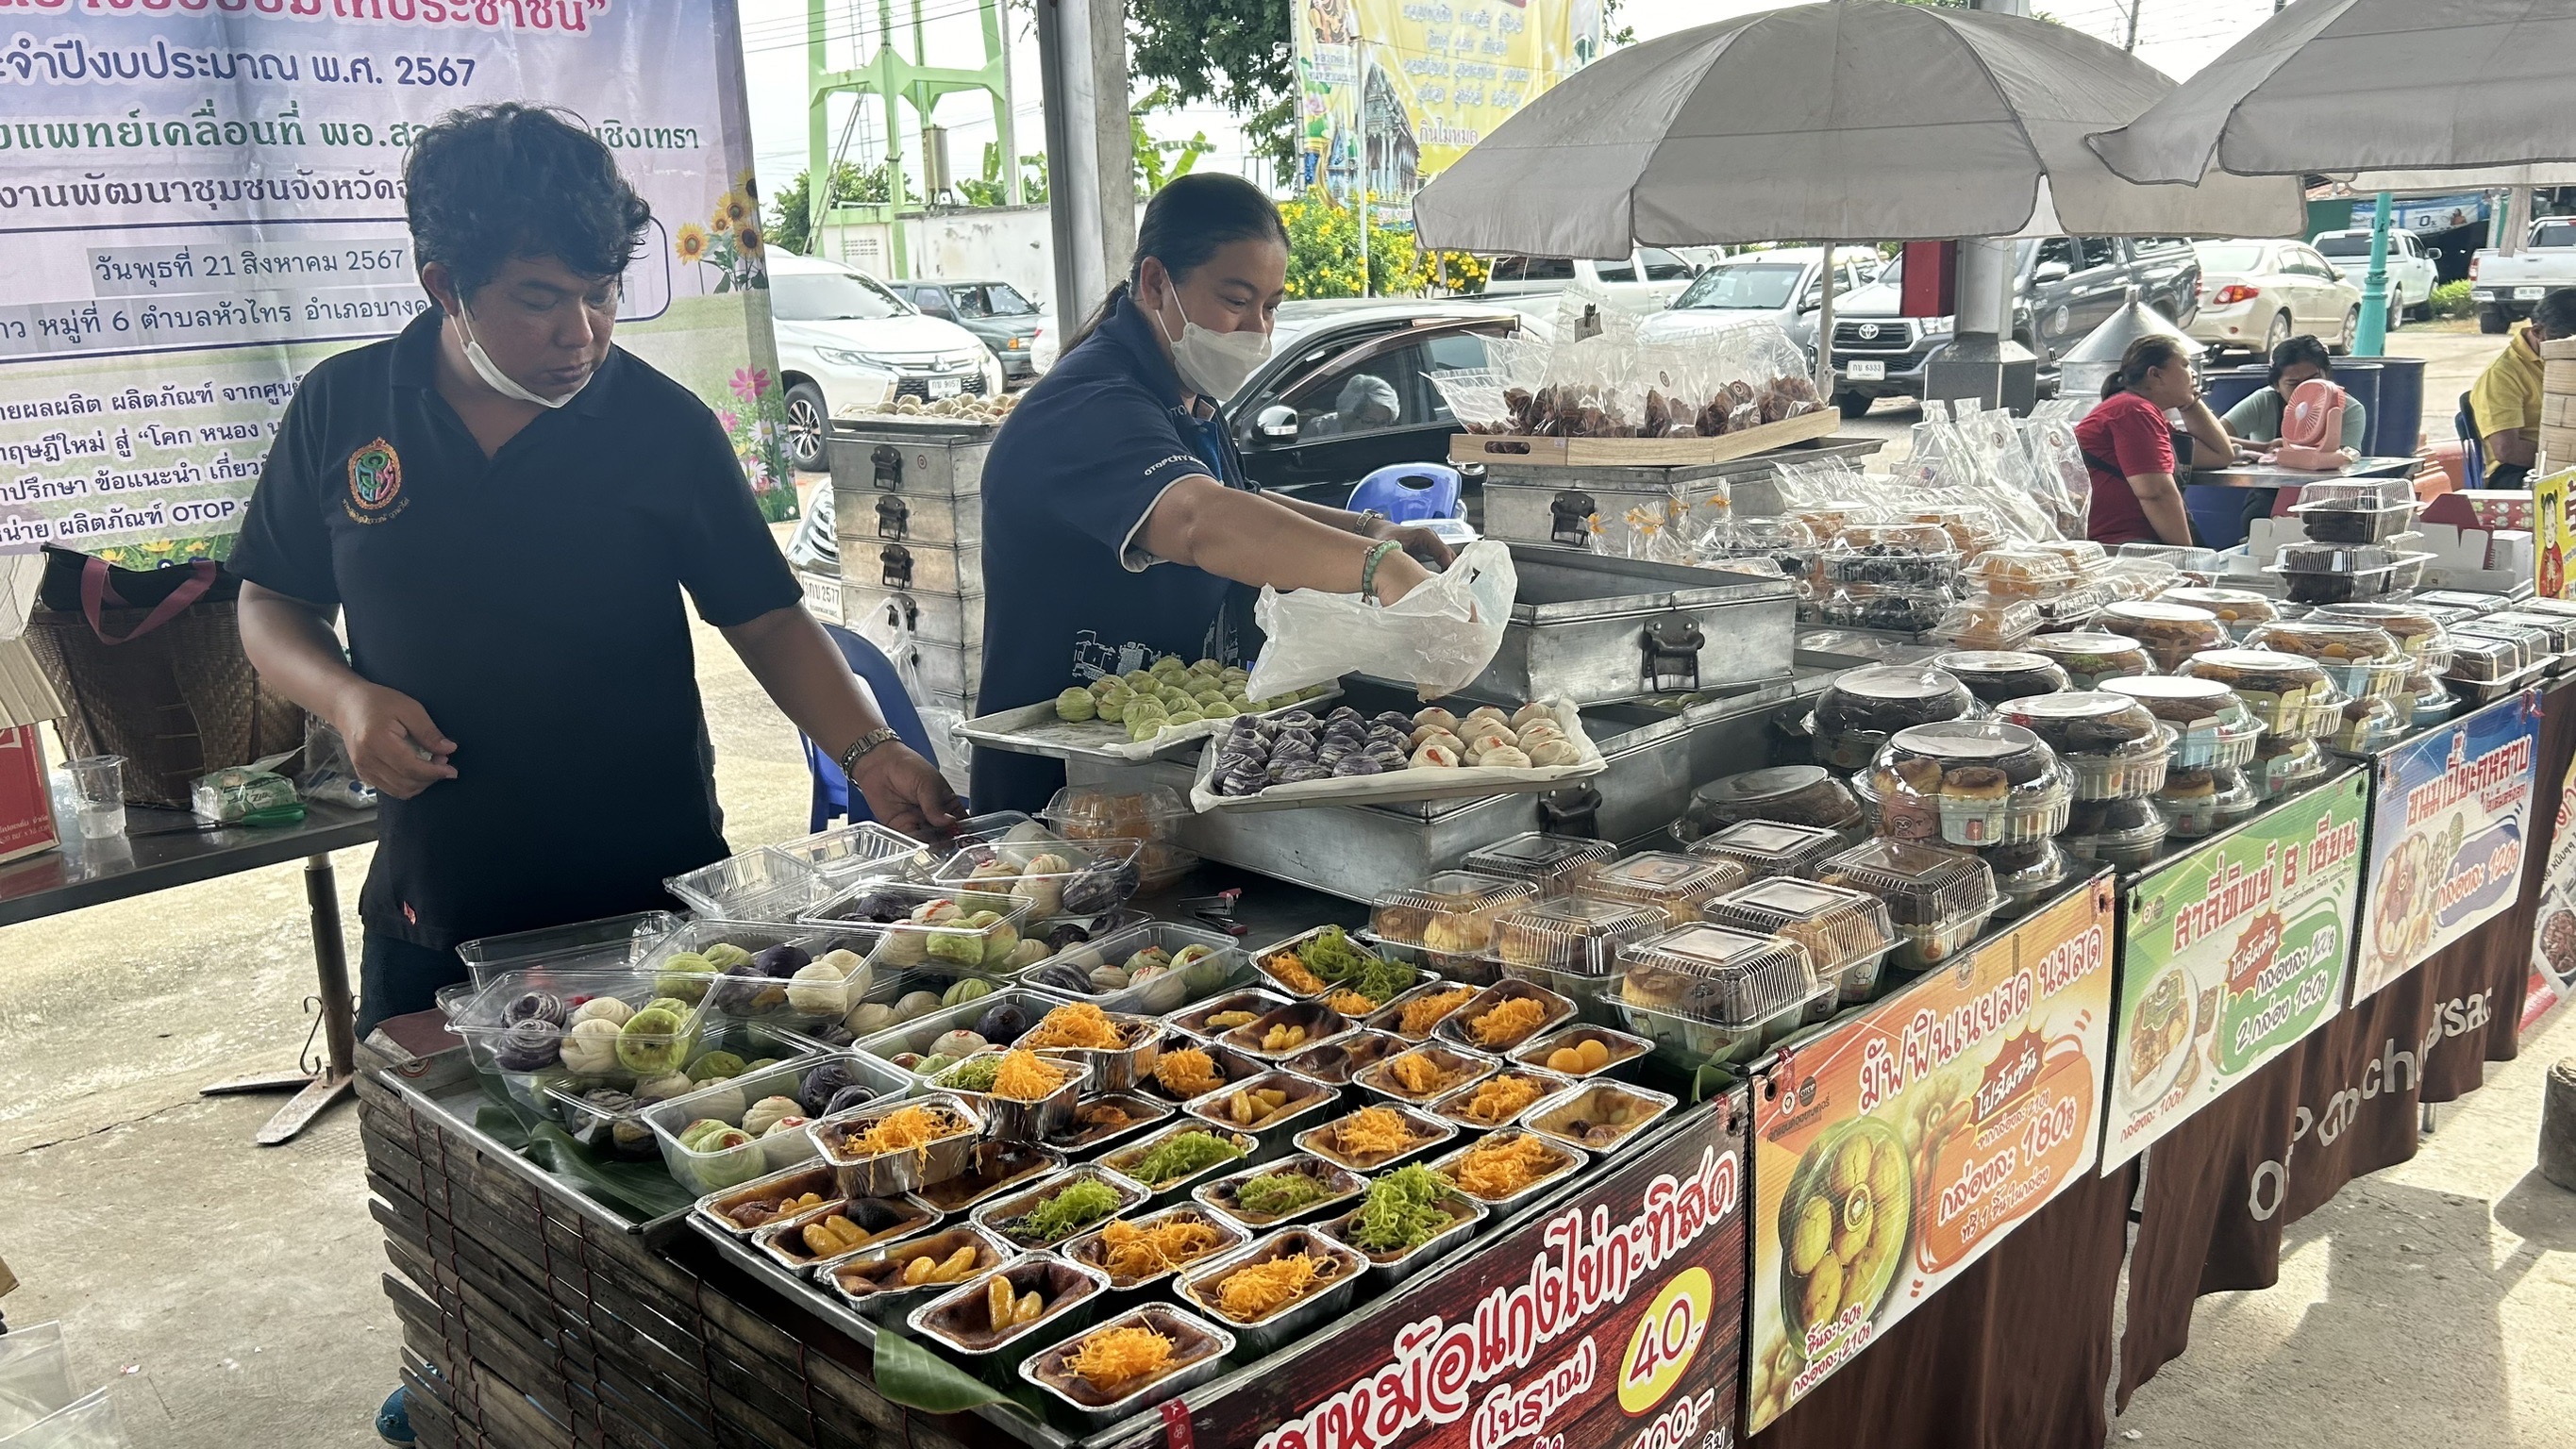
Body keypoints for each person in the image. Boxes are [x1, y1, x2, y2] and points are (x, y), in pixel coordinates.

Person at [228, 107, 962, 1441]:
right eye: (540, 301)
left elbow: (766, 616)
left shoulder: (658, 428)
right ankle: (462, 1375)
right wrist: (342, 695)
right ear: (441, 283)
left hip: (647, 920)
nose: (580, 333)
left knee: (656, 1210)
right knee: (456, 1197)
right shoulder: (347, 407)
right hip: (436, 905)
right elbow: (267, 604)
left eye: (603, 296)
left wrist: (867, 747)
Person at [970, 173, 1455, 814]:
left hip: (1165, 774)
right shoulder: (1089, 406)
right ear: (1154, 284)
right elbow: (1202, 519)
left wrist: (1369, 531)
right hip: (1064, 798)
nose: (1257, 328)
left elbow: (1237, 495)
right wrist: (1377, 569)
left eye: (1272, 306)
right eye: (1236, 300)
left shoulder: (1187, 397)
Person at [2078, 335, 2233, 547]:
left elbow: (2220, 455)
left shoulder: (2140, 411)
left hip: (2131, 541)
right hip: (2119, 545)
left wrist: (2190, 402)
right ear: (2156, 375)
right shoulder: (2133, 412)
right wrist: (2187, 558)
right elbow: (2156, 493)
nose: (2194, 373)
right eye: (2185, 365)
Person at [2469, 286, 2576, 487]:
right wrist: (2564, 458)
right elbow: (2507, 450)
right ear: (2537, 332)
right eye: (2565, 344)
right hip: (2518, 471)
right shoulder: (2502, 375)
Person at [2222, 334, 2368, 451]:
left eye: (2314, 380)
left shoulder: (2349, 409)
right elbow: (2214, 436)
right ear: (2276, 385)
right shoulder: (2265, 401)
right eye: (2294, 384)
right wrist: (2264, 448)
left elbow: (2346, 460)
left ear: (2327, 376)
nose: (2306, 390)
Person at [1303, 373, 1401, 437]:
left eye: (1384, 422)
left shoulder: (1392, 438)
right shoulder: (1320, 429)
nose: (1378, 431)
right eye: (1369, 422)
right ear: (1348, 417)